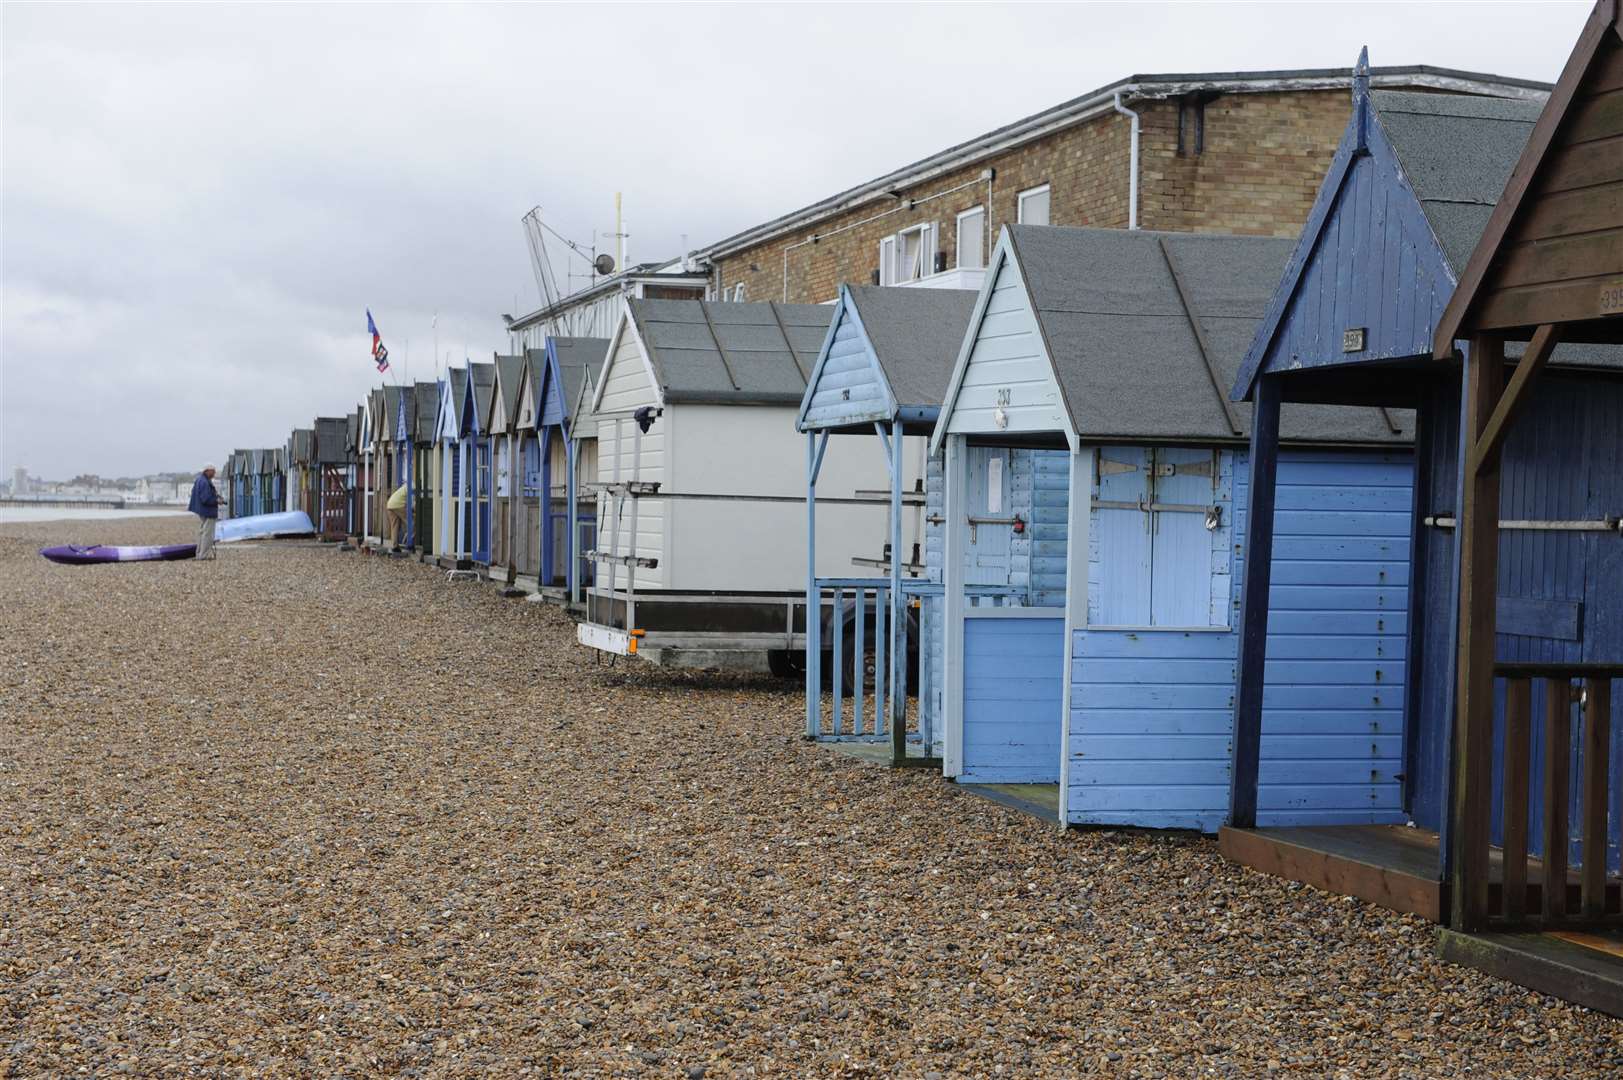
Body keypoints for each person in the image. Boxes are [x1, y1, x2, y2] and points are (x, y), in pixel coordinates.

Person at [188, 463, 220, 560]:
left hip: (202, 511)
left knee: (202, 533)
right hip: (208, 511)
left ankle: (199, 554)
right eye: (213, 471)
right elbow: (206, 499)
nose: (214, 473)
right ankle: (203, 556)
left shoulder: (199, 480)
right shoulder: (204, 482)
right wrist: (217, 500)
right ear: (207, 471)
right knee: (207, 534)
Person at [386, 481, 408, 549]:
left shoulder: (405, 486)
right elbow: (412, 503)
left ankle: (395, 546)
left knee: (395, 526)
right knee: (411, 522)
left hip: (390, 504)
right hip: (399, 505)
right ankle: (410, 543)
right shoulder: (413, 487)